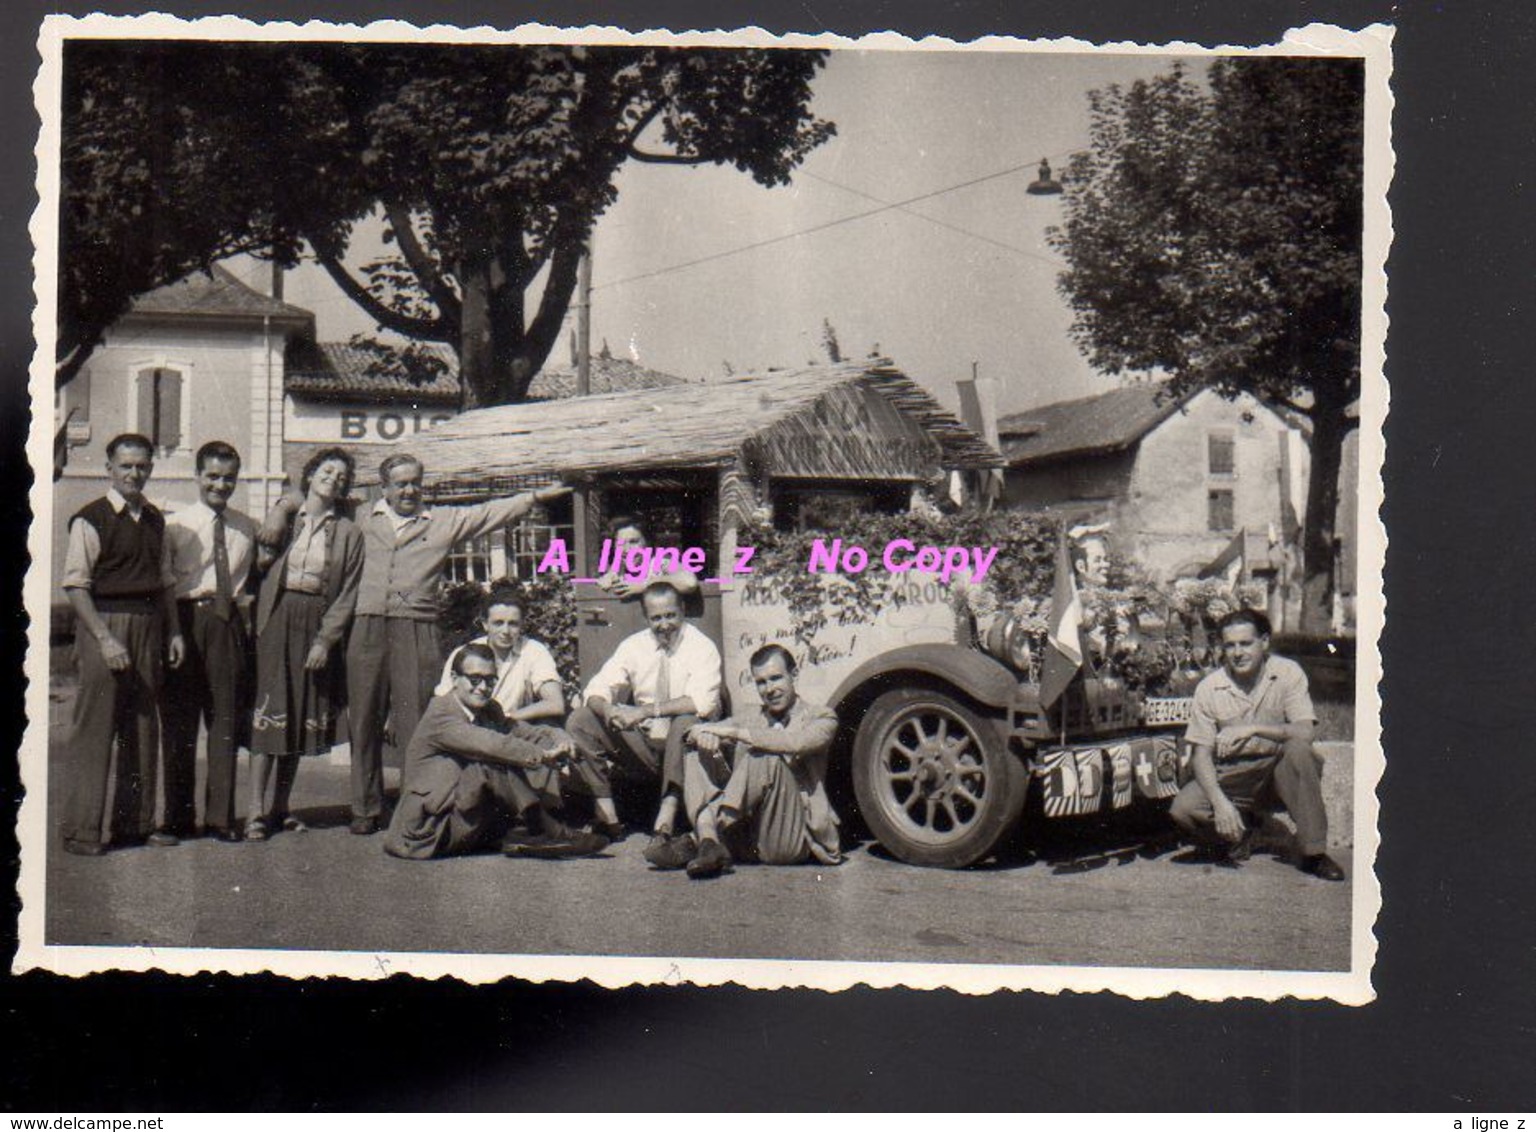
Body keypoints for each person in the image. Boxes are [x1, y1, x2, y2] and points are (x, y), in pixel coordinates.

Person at [262, 453, 569, 835]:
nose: (409, 490)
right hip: (366, 626)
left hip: (417, 628)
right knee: (364, 720)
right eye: (400, 483)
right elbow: (306, 496)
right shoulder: (360, 514)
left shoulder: (440, 520)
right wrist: (278, 509)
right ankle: (365, 808)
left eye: (415, 483)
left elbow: (488, 513)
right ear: (385, 487)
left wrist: (536, 498)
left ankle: (413, 806)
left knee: (414, 723)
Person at [59, 433, 184, 856]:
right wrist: (104, 638)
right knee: (95, 730)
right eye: (126, 465)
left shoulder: (154, 518)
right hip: (104, 626)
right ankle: (81, 831)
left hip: (149, 624)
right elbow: (76, 586)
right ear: (109, 468)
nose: (134, 473)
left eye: (142, 466)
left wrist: (174, 631)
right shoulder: (89, 519)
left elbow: (166, 580)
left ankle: (134, 824)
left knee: (143, 728)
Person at [384, 643, 609, 861]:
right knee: (491, 761)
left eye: (490, 680)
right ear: (454, 679)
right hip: (427, 830)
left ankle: (538, 827)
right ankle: (547, 830)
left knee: (508, 755)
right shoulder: (440, 714)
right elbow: (490, 744)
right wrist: (543, 755)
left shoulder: (488, 709)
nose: (482, 687)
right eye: (474, 679)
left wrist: (557, 737)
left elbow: (520, 731)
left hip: (467, 815)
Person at [1168, 607, 1346, 881]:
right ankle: (1245, 833)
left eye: (1246, 643)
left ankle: (1314, 853)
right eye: (1230, 645)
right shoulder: (1210, 687)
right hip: (1234, 774)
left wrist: (1253, 728)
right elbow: (1200, 755)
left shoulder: (1287, 673)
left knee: (1299, 751)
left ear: (1264, 642)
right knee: (1184, 809)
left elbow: (1305, 732)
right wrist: (1220, 803)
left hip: (1278, 770)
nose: (1238, 653)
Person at [435, 584, 624, 838]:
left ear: (522, 624)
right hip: (474, 731)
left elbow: (554, 703)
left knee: (548, 737)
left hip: (511, 725)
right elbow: (446, 704)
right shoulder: (466, 653)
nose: (505, 631)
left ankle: (550, 814)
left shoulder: (532, 650)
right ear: (484, 623)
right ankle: (523, 819)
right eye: (498, 623)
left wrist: (508, 718)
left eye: (513, 623)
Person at [247, 447, 365, 840]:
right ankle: (254, 813)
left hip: (316, 619)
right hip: (277, 616)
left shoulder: (349, 532)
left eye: (342, 476)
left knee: (297, 714)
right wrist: (278, 518)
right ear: (311, 475)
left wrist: (324, 640)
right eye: (327, 471)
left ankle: (281, 808)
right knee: (269, 711)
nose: (335, 479)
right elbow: (258, 564)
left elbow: (348, 591)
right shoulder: (285, 517)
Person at [647, 644, 842, 879]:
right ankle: (710, 843)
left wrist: (736, 734)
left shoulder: (822, 717)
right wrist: (704, 734)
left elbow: (795, 742)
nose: (770, 689)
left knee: (764, 756)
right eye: (761, 682)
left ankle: (701, 838)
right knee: (694, 750)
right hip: (748, 834)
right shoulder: (752, 716)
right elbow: (695, 732)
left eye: (776, 678)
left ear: (794, 675)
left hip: (792, 836)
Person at [565, 582, 721, 844]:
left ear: (682, 610)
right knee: (581, 720)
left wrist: (644, 711)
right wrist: (608, 709)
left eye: (670, 615)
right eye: (656, 618)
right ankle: (608, 817)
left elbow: (701, 702)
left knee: (685, 720)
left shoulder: (701, 646)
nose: (664, 625)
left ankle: (666, 815)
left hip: (686, 747)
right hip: (645, 745)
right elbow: (596, 688)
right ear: (646, 617)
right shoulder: (633, 646)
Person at [159, 440, 258, 843]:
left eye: (228, 478)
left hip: (227, 622)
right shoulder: (175, 525)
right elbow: (165, 582)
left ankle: (221, 818)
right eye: (213, 476)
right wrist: (172, 631)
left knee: (224, 720)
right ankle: (177, 818)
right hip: (186, 617)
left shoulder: (246, 527)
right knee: (180, 721)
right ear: (197, 475)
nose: (220, 485)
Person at [595, 515, 700, 599]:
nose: (626, 550)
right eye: (620, 543)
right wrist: (605, 583)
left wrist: (645, 585)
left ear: (648, 543)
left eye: (633, 542)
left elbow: (689, 583)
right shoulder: (618, 569)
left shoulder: (660, 562)